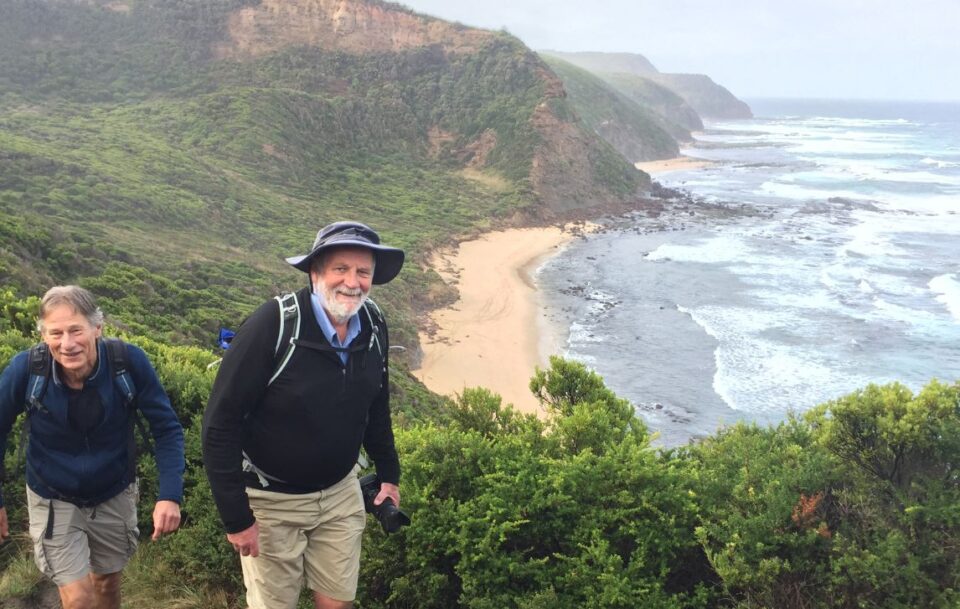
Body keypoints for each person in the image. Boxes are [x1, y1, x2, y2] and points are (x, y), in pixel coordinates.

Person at [202, 221, 404, 609]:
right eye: (340, 269)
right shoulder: (274, 325)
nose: (352, 282)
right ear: (315, 273)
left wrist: (389, 475)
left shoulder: (374, 325)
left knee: (337, 603)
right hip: (273, 500)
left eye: (363, 272)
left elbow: (376, 405)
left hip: (341, 492)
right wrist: (237, 518)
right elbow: (218, 425)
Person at [0, 285, 185, 609]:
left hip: (113, 491)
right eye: (55, 333)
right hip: (53, 496)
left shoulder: (128, 363)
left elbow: (167, 428)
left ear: (97, 328)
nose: (67, 344)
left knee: (107, 586)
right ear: (43, 335)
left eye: (76, 330)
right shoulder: (26, 370)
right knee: (79, 598)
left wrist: (170, 494)